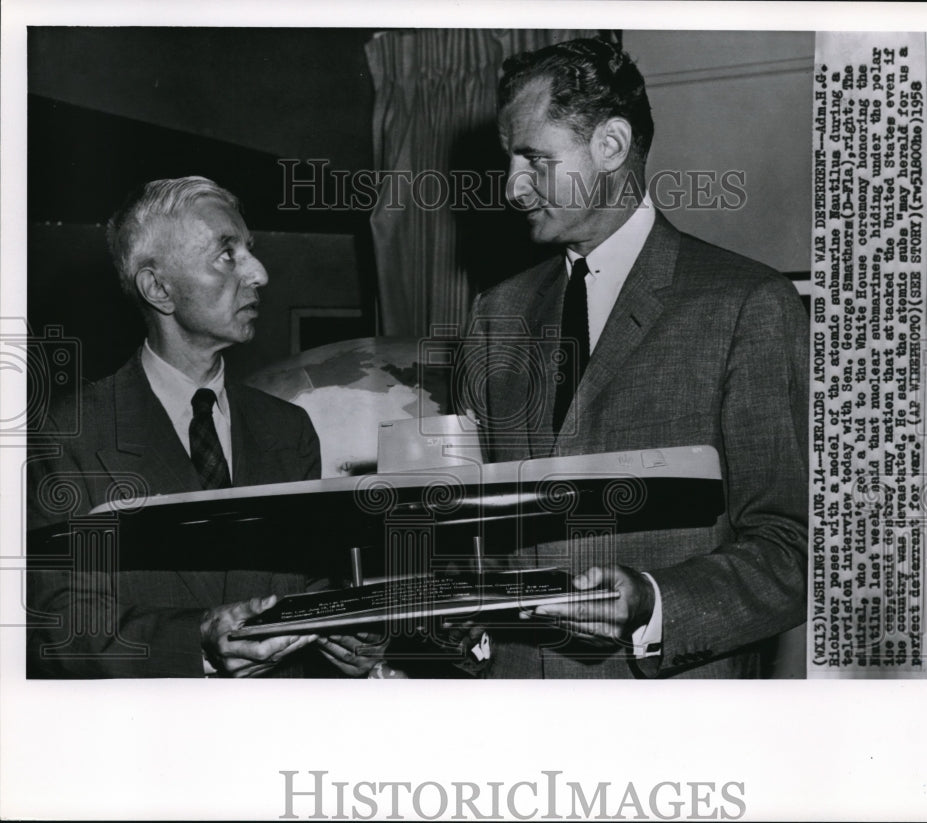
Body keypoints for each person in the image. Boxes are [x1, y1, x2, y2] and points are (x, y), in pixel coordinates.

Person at [456, 38, 809, 678]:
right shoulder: (495, 315)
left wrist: (652, 600)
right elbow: (468, 534)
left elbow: (793, 550)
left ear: (611, 147)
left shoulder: (746, 304)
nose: (512, 187)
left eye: (534, 159)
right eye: (509, 160)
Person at [26, 176, 377, 677]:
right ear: (158, 288)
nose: (259, 273)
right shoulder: (67, 435)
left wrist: (347, 627)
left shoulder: (288, 429)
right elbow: (58, 625)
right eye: (226, 253)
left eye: (249, 250)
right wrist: (199, 641)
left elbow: (309, 583)